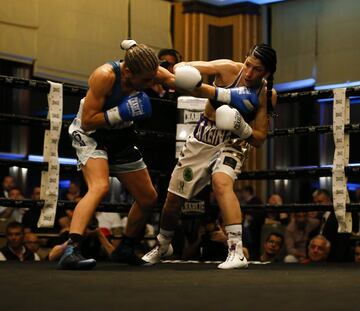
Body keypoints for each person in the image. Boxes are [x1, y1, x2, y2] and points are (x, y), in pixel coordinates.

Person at [58, 39, 257, 270]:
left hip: (121, 136)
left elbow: (181, 83)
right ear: (129, 72)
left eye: (153, 78)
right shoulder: (105, 76)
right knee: (100, 186)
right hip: (91, 136)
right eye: (146, 80)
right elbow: (88, 120)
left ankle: (126, 247)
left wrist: (229, 96)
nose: (152, 84)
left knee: (147, 198)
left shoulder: (150, 72)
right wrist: (120, 112)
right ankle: (71, 249)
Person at [142, 43, 277, 269]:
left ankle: (236, 252)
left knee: (221, 182)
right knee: (173, 201)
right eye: (248, 65)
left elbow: (260, 138)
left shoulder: (267, 95)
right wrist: (184, 70)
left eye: (257, 70)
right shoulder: (228, 69)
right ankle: (164, 244)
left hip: (233, 143)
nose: (250, 73)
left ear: (268, 73)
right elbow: (185, 67)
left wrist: (241, 127)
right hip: (203, 139)